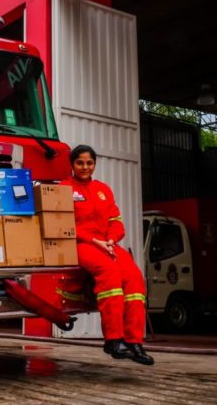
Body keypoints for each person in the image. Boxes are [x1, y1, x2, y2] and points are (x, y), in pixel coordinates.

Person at [61, 145, 154, 365]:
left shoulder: (103, 189)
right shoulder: (64, 188)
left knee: (134, 278)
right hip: (81, 243)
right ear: (72, 164)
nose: (85, 167)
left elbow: (116, 221)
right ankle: (113, 340)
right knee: (109, 273)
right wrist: (95, 241)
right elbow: (63, 224)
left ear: (94, 164)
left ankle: (134, 342)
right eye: (80, 163)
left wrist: (111, 239)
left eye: (90, 163)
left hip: (108, 244)